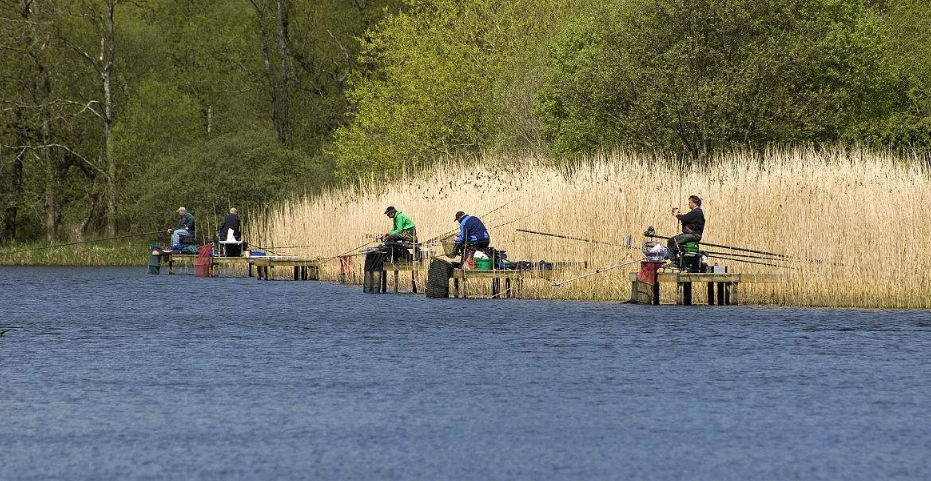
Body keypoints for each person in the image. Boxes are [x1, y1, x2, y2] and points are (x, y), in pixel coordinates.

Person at [667, 195, 704, 262]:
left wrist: (677, 215)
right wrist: (680, 215)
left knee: (672, 241)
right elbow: (687, 218)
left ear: (695, 204)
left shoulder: (697, 212)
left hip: (694, 235)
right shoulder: (696, 212)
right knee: (673, 241)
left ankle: (675, 260)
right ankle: (677, 258)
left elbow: (685, 217)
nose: (689, 204)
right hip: (693, 235)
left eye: (690, 203)